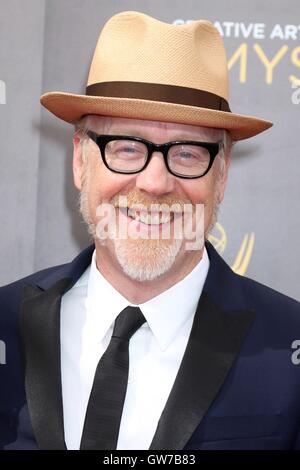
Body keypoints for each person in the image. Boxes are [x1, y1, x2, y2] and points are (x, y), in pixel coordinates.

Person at [1, 10, 300, 451]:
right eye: (125, 147)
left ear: (222, 175)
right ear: (81, 161)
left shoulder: (289, 345)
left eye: (187, 153)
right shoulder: (5, 323)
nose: (156, 183)